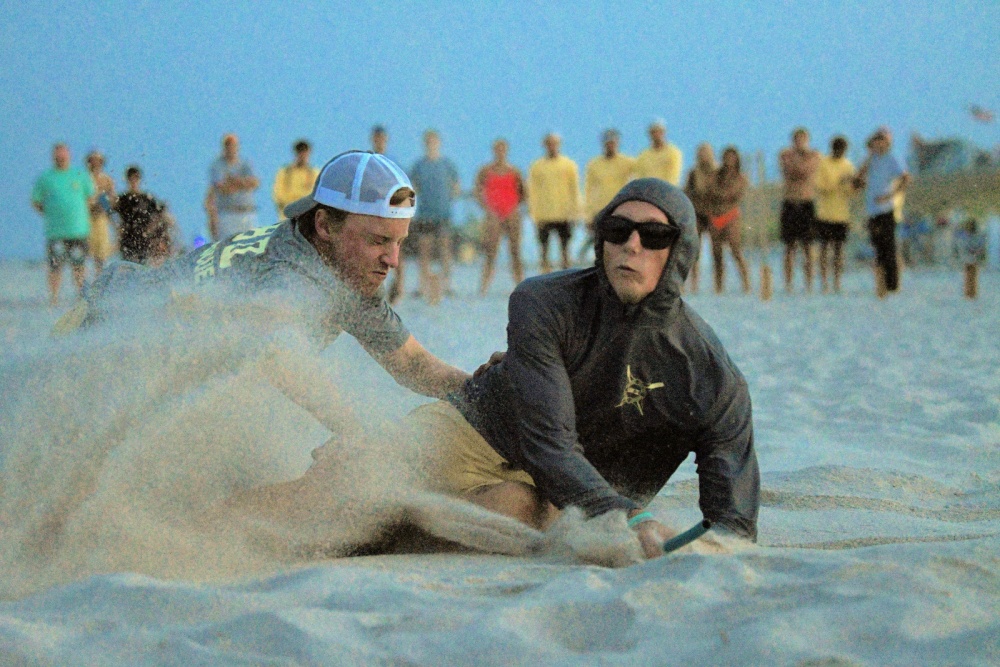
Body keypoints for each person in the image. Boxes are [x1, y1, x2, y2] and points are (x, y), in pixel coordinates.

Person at [407, 177, 759, 558]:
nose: (632, 244)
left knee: (519, 509)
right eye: (617, 230)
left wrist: (692, 544)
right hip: (471, 435)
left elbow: (734, 527)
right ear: (602, 240)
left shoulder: (713, 379)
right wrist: (633, 519)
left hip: (565, 500)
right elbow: (550, 447)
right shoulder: (543, 302)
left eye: (654, 235)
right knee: (365, 493)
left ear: (681, 252)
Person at [58, 151, 469, 403]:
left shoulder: (351, 273)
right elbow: (278, 352)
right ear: (324, 226)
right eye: (378, 240)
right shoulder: (293, 274)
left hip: (139, 358)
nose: (393, 260)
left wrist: (488, 387)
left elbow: (412, 364)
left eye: (399, 242)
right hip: (100, 329)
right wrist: (355, 433)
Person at [32, 143, 95, 306]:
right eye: (58, 156)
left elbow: (91, 198)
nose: (61, 159)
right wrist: (52, 213)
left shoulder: (80, 175)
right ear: (53, 157)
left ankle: (82, 299)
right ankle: (54, 299)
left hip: (79, 230)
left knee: (79, 265)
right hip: (55, 232)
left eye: (63, 156)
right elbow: (36, 202)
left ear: (69, 156)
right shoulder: (45, 178)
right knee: (55, 266)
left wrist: (78, 213)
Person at [855, 127, 911, 296]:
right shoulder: (871, 159)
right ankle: (881, 284)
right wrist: (869, 156)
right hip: (872, 210)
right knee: (877, 246)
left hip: (886, 209)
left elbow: (905, 178)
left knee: (889, 246)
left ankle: (893, 285)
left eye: (881, 141)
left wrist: (890, 195)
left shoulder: (892, 158)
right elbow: (859, 177)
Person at [409, 130, 461, 303]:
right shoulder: (419, 165)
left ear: (439, 143)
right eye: (428, 141)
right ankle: (422, 285)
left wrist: (448, 199)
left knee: (445, 250)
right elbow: (412, 187)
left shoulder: (447, 165)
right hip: (425, 214)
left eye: (434, 141)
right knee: (424, 250)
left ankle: (447, 285)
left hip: (443, 214)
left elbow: (456, 186)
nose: (431, 144)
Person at [474, 138, 525, 295]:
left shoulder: (514, 171)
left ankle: (521, 285)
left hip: (511, 214)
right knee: (490, 252)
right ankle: (483, 288)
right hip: (493, 215)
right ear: (494, 151)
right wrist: (487, 209)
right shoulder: (485, 170)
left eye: (503, 150)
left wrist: (515, 209)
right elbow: (477, 191)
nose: (500, 153)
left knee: (515, 251)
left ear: (507, 151)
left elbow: (524, 192)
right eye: (498, 149)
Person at [527, 133, 581, 272]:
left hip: (564, 214)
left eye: (555, 144)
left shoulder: (569, 165)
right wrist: (534, 214)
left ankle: (566, 277)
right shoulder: (537, 166)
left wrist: (576, 212)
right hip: (544, 215)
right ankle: (545, 277)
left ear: (559, 145)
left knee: (565, 250)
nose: (552, 147)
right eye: (549, 144)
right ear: (544, 145)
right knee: (544, 250)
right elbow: (532, 192)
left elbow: (574, 189)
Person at [582, 129, 635, 260]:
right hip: (601, 211)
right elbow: (588, 190)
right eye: (608, 143)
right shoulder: (594, 164)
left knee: (622, 245)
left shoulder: (628, 163)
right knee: (602, 247)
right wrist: (588, 215)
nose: (611, 146)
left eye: (613, 143)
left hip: (621, 210)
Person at [778, 128, 820, 293]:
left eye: (803, 139)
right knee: (789, 246)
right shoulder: (785, 155)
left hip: (806, 203)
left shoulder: (814, 155)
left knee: (808, 247)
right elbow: (790, 170)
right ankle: (788, 284)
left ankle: (809, 284)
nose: (800, 143)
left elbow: (805, 171)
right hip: (790, 203)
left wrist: (799, 161)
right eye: (797, 139)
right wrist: (796, 161)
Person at [814, 136, 857, 294]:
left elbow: (851, 192)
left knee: (839, 250)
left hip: (842, 214)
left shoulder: (848, 165)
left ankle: (837, 281)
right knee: (824, 249)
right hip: (825, 213)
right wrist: (839, 181)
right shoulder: (823, 164)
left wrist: (855, 185)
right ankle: (824, 281)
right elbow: (820, 187)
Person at [706, 147, 752, 294]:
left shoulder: (740, 177)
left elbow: (735, 194)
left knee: (735, 249)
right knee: (716, 253)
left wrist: (722, 195)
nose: (729, 160)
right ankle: (718, 286)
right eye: (726, 157)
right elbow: (710, 191)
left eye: (732, 157)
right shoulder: (715, 175)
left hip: (731, 215)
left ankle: (746, 283)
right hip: (715, 215)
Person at [209, 133, 259, 240]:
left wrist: (233, 180)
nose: (231, 148)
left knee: (251, 245)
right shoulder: (218, 166)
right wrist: (243, 184)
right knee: (228, 246)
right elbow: (223, 188)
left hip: (247, 212)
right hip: (228, 214)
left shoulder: (245, 164)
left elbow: (254, 183)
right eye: (228, 145)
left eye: (234, 145)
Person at [114, 165, 168, 264]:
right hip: (127, 238)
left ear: (139, 179)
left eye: (136, 178)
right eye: (131, 178)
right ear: (127, 180)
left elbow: (161, 212)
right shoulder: (122, 199)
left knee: (143, 265)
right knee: (128, 265)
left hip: (143, 238)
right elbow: (112, 214)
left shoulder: (146, 198)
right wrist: (118, 229)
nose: (134, 181)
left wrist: (151, 229)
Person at [683, 143, 717, 293]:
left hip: (714, 214)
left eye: (706, 153)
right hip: (697, 214)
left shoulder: (718, 172)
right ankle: (694, 284)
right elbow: (687, 192)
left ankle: (718, 285)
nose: (703, 156)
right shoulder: (693, 173)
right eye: (701, 153)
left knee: (717, 250)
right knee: (694, 251)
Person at [85, 150, 116, 277]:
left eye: (98, 161)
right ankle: (85, 281)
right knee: (86, 251)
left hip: (102, 219)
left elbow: (112, 199)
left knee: (101, 253)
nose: (95, 163)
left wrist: (104, 205)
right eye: (93, 160)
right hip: (86, 219)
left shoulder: (107, 179)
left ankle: (99, 277)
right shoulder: (84, 178)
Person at [272, 139, 319, 222]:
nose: (302, 156)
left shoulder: (314, 173)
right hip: (288, 217)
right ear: (295, 153)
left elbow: (316, 195)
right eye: (300, 152)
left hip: (307, 216)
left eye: (304, 152)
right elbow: (278, 194)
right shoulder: (285, 173)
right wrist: (290, 207)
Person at [634, 119, 683, 186]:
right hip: (647, 190)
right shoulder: (643, 155)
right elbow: (640, 175)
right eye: (653, 132)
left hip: (667, 190)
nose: (656, 135)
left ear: (664, 133)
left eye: (659, 132)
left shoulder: (673, 152)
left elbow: (673, 176)